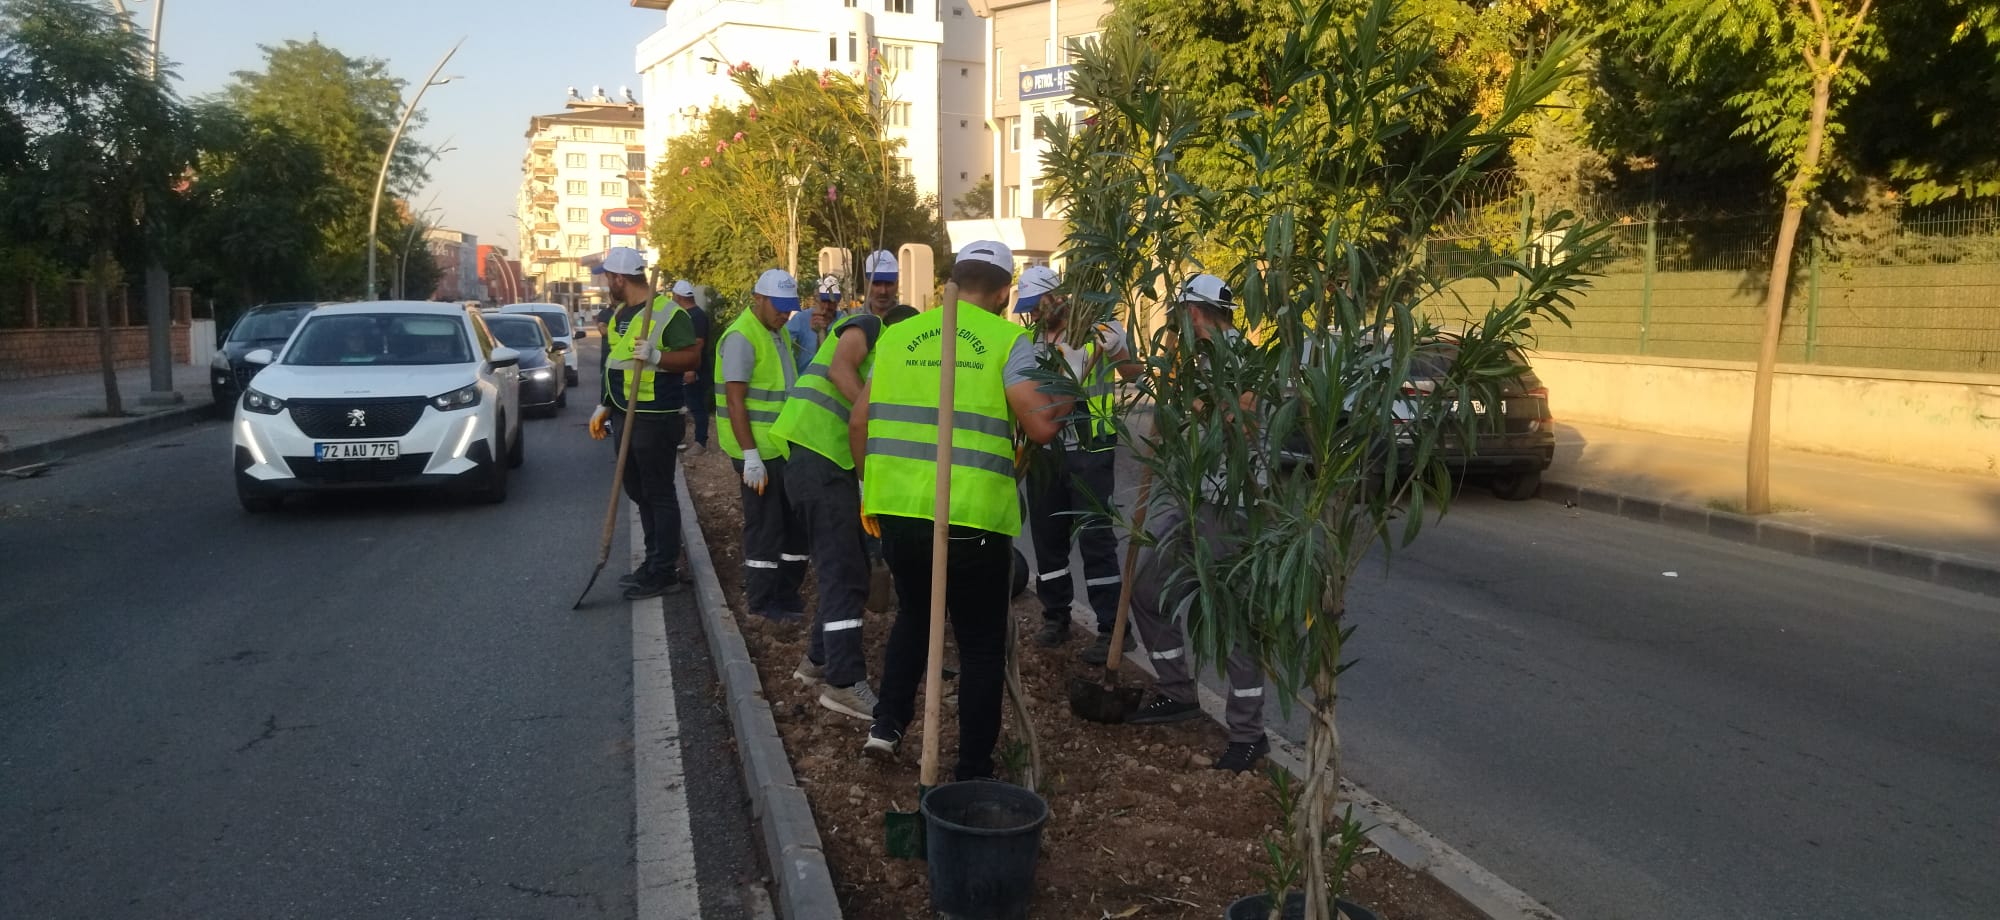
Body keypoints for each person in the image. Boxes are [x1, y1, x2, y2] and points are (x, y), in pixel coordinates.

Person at [850, 240, 1072, 780]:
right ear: (1003, 293)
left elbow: (858, 421)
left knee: (914, 616)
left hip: (898, 511)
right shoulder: (1006, 340)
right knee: (978, 645)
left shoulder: (899, 335)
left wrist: (869, 489)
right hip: (972, 519)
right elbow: (1042, 426)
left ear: (950, 282)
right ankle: (971, 770)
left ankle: (886, 726)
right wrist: (1067, 381)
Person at [1124, 273, 1271, 774]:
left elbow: (1243, 421)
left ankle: (1249, 734)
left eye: (1176, 318)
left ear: (1192, 314)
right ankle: (1176, 691)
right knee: (1147, 586)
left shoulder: (1244, 359)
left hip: (1232, 506)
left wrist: (1185, 398)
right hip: (1190, 499)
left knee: (1231, 616)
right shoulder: (1197, 361)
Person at [769, 285, 918, 721]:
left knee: (850, 570)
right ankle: (844, 682)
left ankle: (817, 661)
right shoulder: (869, 326)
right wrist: (880, 422)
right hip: (817, 460)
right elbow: (839, 370)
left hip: (825, 464)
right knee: (843, 573)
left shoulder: (886, 356)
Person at [1013, 266, 1141, 663]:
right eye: (1028, 307)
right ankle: (1056, 617)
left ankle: (1113, 629)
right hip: (1045, 451)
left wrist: (1117, 349)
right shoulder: (1028, 341)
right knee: (1047, 539)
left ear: (1059, 297)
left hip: (1090, 449)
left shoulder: (1097, 330)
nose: (1034, 313)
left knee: (1095, 539)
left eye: (1038, 304)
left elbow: (1133, 374)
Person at [586, 248, 702, 600]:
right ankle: (653, 562)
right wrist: (604, 404)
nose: (606, 283)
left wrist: (657, 355)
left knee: (658, 493)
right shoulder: (621, 313)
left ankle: (664, 571)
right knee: (638, 491)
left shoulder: (668, 314)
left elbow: (692, 357)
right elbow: (616, 363)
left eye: (608, 278)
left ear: (620, 278)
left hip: (656, 417)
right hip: (625, 413)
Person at [717, 269, 808, 619]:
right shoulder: (742, 337)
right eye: (779, 307)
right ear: (758, 299)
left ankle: (785, 593)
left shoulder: (776, 332)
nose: (785, 314)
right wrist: (750, 456)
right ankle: (762, 600)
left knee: (793, 525)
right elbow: (735, 401)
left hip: (780, 447)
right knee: (765, 528)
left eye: (789, 307)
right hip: (758, 452)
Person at [675, 280, 713, 454]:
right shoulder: (688, 314)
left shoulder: (696, 316)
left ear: (678, 297)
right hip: (687, 368)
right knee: (686, 404)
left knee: (697, 405)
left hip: (696, 369)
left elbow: (698, 344)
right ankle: (682, 439)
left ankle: (700, 442)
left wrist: (690, 369)